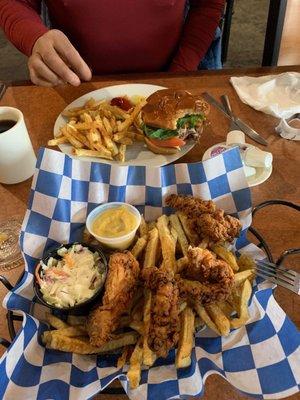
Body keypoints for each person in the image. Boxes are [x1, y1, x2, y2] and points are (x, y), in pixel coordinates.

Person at [0, 0, 225, 87]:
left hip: (172, 73)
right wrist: (35, 38)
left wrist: (180, 73)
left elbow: (207, 4)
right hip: (73, 85)